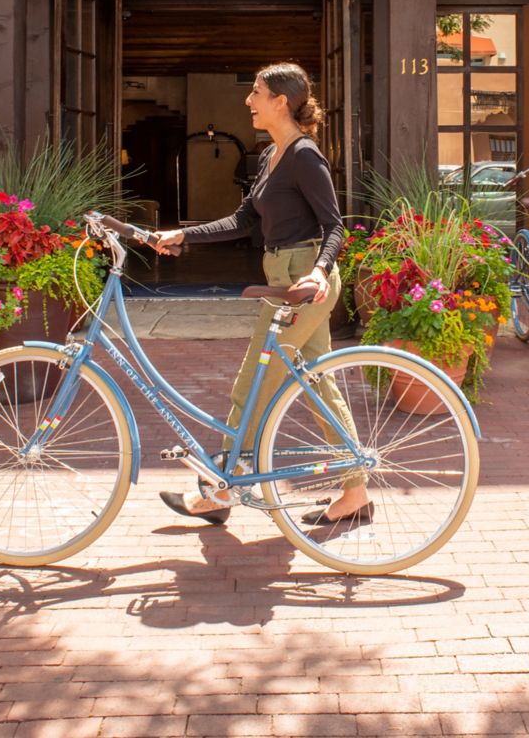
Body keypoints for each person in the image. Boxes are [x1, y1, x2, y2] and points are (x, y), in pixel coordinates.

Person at [152, 62, 372, 527]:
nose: (248, 101)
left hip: (302, 279)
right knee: (315, 382)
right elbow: (242, 221)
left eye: (256, 92)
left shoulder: (305, 155)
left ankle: (220, 488)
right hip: (285, 271)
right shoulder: (271, 155)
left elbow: (335, 225)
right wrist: (183, 235)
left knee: (253, 382)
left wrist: (316, 272)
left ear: (281, 101)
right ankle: (355, 492)